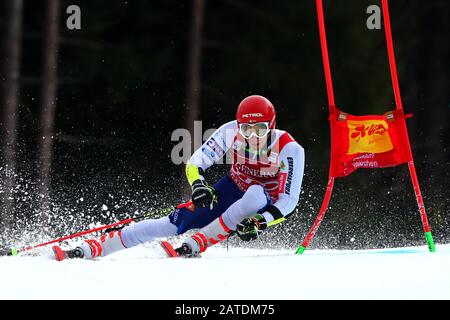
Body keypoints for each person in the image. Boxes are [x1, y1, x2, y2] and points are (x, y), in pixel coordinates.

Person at [52, 95, 305, 260]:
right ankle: (97, 247)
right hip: (230, 188)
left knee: (254, 195)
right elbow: (196, 162)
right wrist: (199, 186)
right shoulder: (230, 132)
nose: (252, 135)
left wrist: (261, 221)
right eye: (246, 128)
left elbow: (288, 200)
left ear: (271, 126)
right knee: (173, 223)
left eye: (259, 129)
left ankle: (201, 240)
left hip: (263, 201)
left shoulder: (290, 149)